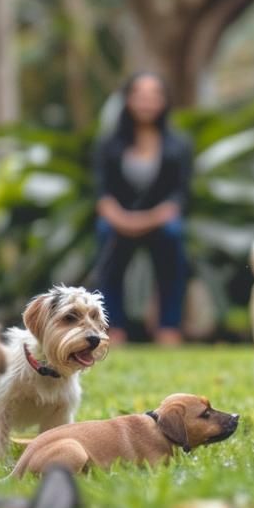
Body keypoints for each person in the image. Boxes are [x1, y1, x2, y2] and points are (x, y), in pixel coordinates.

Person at [91, 72, 194, 346]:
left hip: (161, 219)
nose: (147, 102)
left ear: (165, 101)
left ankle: (168, 327)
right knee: (106, 239)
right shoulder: (108, 143)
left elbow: (181, 194)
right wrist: (121, 219)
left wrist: (154, 217)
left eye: (154, 95)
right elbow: (102, 192)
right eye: (140, 95)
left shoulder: (179, 144)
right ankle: (113, 328)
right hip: (118, 219)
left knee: (173, 238)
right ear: (128, 99)